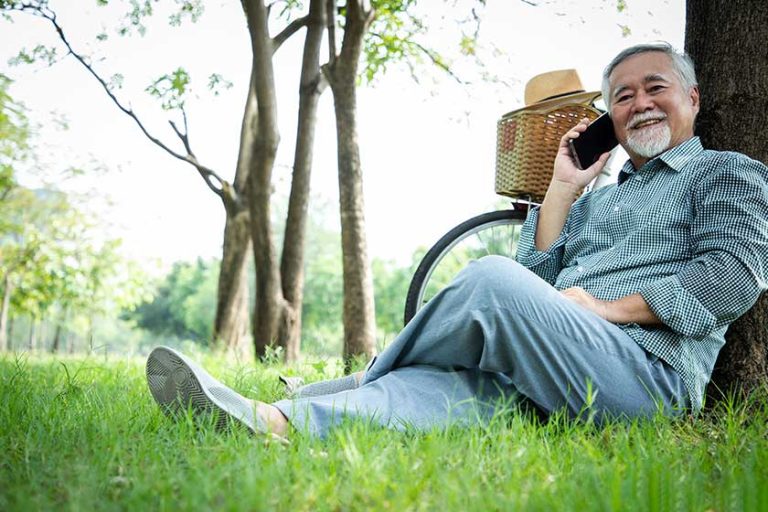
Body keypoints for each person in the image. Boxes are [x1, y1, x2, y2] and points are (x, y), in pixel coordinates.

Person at [146, 42, 768, 439]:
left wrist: (602, 309)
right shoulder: (599, 194)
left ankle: (358, 378)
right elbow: (540, 269)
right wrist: (561, 186)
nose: (640, 104)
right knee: (454, 394)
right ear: (610, 117)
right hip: (558, 369)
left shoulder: (726, 173)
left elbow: (733, 276)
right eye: (622, 97)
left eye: (655, 87)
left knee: (490, 281)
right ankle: (273, 421)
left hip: (643, 376)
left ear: (691, 96)